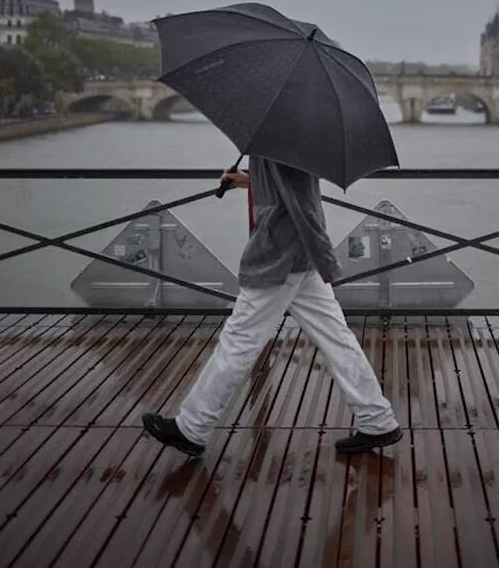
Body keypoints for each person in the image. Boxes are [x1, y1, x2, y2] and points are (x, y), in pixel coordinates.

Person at [141, 156, 402, 457]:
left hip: (280, 258)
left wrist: (297, 244)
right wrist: (250, 180)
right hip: (302, 257)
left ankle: (192, 428)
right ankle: (378, 419)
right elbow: (289, 184)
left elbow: (296, 198)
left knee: (238, 342)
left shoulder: (279, 137)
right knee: (337, 339)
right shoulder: (296, 137)